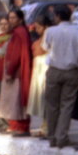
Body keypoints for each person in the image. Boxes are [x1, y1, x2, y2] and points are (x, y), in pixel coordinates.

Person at [42, 4, 78, 149]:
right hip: (72, 71)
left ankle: (52, 137)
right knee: (67, 106)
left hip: (54, 70)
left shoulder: (50, 31)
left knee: (52, 105)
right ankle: (62, 138)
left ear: (57, 16)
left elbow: (45, 47)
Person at [0, 7, 33, 136]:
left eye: (14, 18)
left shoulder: (19, 32)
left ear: (20, 19)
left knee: (17, 99)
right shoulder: (18, 32)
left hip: (17, 72)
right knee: (15, 100)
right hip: (16, 70)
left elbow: (16, 55)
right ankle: (15, 125)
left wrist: (10, 70)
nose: (11, 20)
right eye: (10, 18)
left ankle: (21, 127)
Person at [25, 9, 53, 137]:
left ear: (46, 27)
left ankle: (47, 127)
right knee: (43, 100)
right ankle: (44, 126)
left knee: (46, 99)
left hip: (44, 70)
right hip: (39, 70)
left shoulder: (48, 38)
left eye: (39, 27)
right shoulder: (41, 38)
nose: (36, 30)